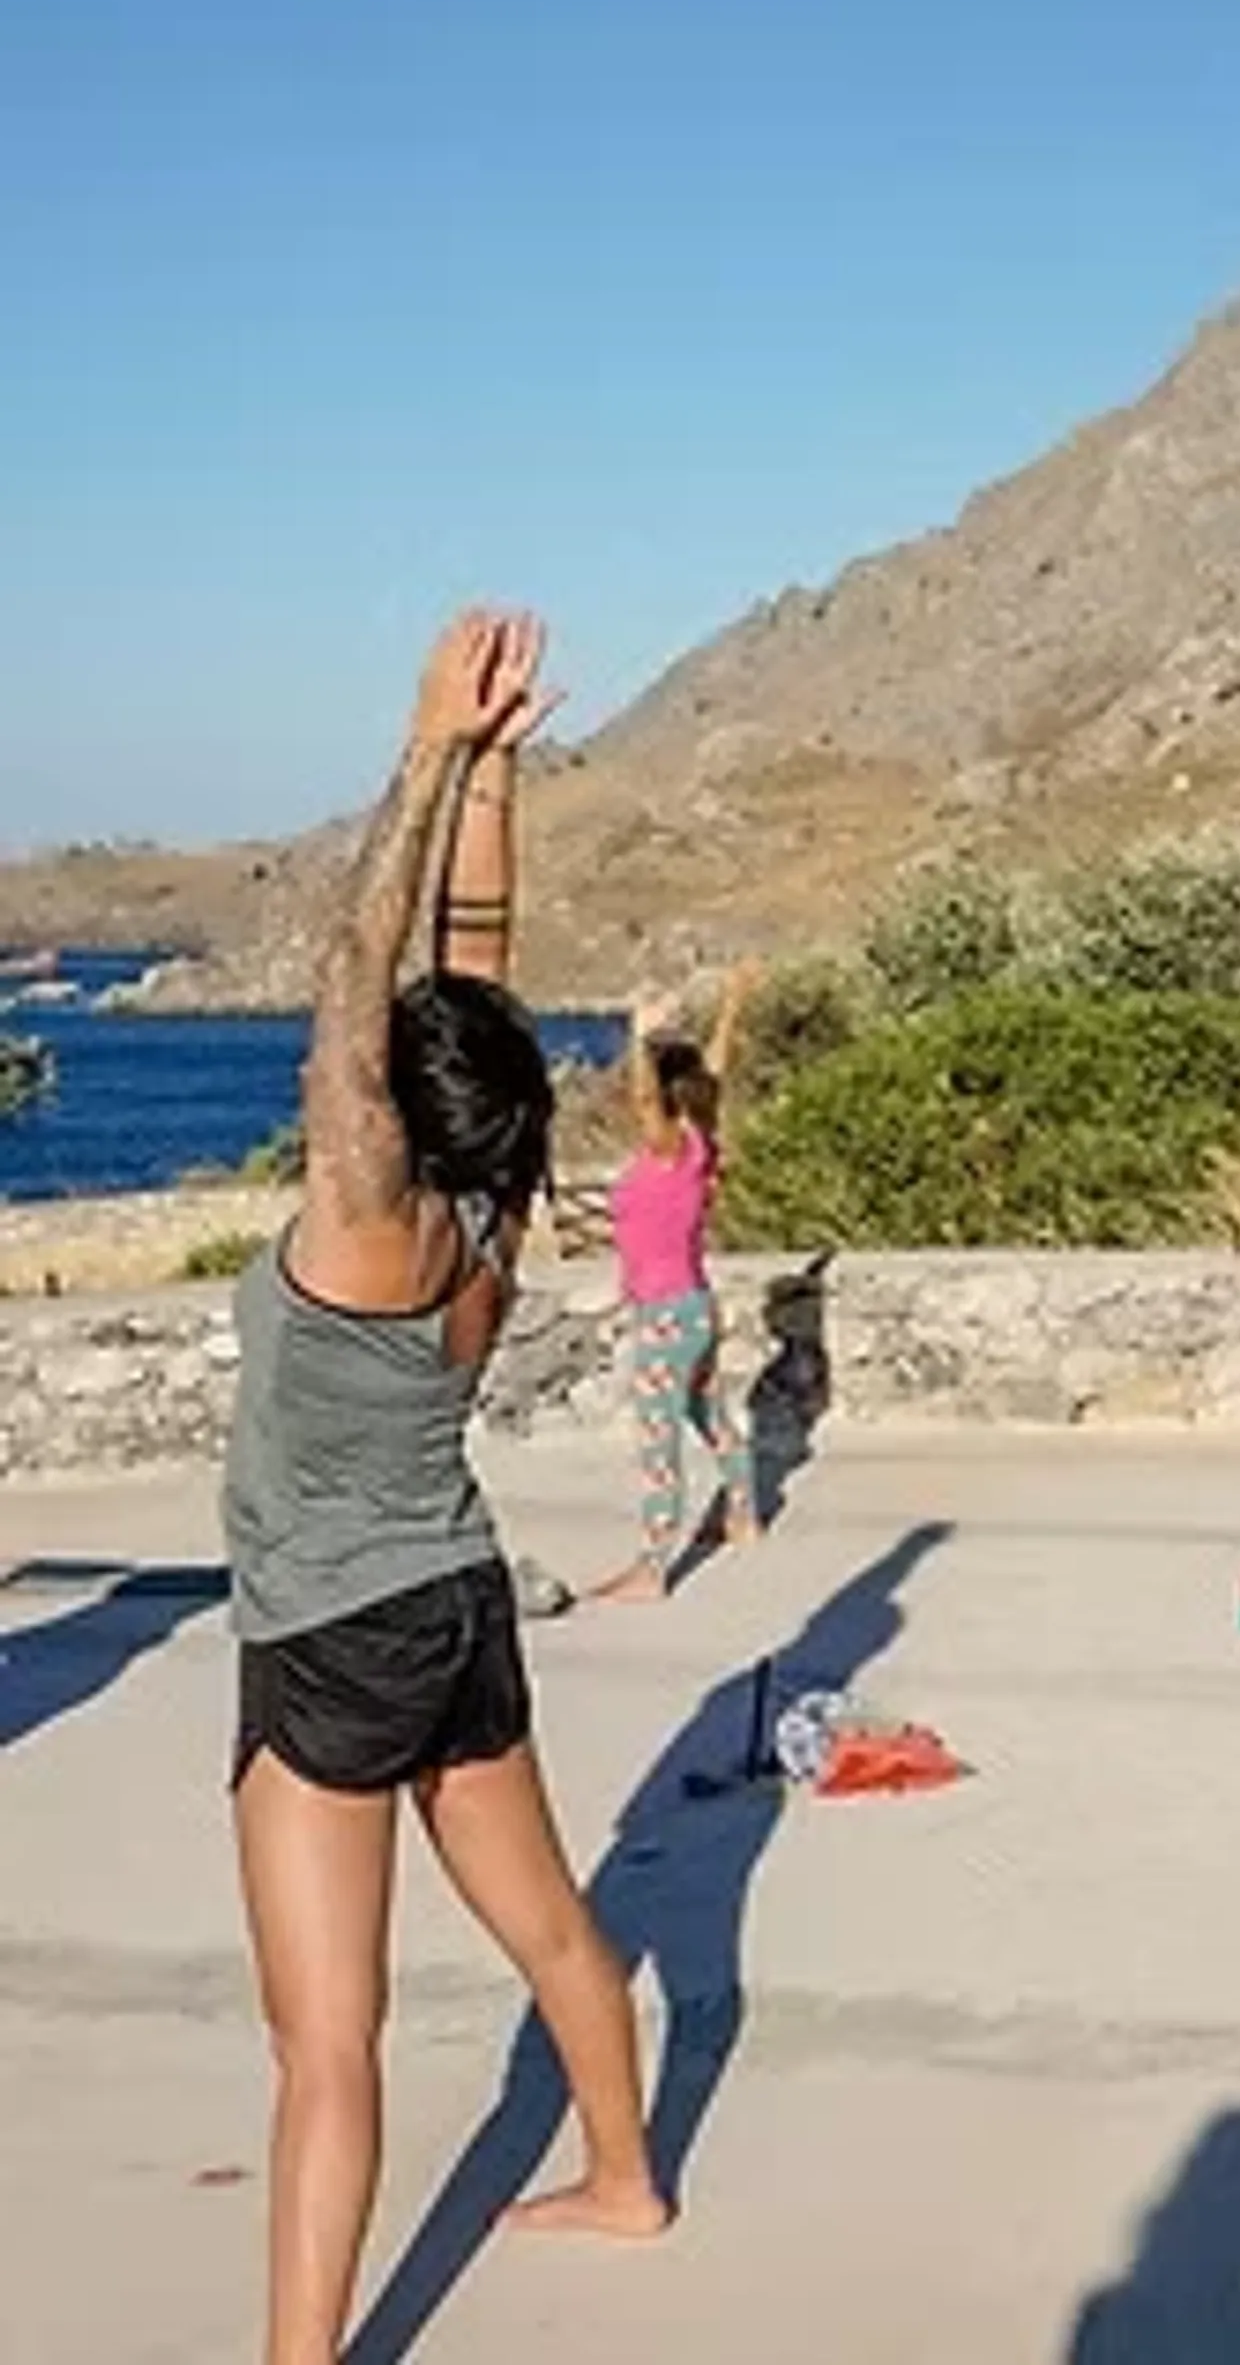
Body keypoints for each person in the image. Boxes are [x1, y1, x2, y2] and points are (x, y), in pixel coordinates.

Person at [224, 610, 666, 2365]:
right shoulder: (487, 1202)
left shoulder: (367, 1215)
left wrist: (422, 749)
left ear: (389, 1108)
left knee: (325, 2045)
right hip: (458, 1605)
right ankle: (625, 2180)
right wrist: (489, 774)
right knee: (553, 1926)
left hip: (332, 1639)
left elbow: (356, 970)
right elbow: (470, 964)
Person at [597, 958, 761, 1604]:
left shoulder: (671, 1151)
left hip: (667, 1315)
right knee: (710, 1415)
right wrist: (734, 1001)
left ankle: (652, 1566)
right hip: (693, 1306)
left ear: (666, 1095)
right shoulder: (702, 1144)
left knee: (657, 1440)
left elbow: (644, 1099)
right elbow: (715, 1069)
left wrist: (638, 1034)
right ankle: (743, 1515)